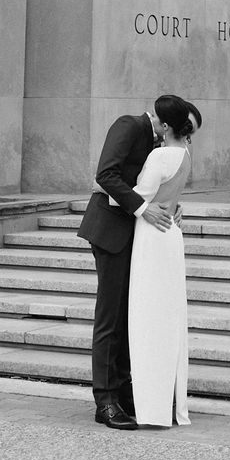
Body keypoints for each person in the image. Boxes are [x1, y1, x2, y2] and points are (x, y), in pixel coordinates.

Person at [76, 95, 197, 430]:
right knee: (110, 318)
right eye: (184, 130)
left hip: (138, 237)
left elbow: (150, 186)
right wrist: (144, 208)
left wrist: (168, 205)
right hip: (110, 232)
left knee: (131, 317)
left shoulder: (160, 144)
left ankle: (127, 393)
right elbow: (106, 175)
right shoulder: (128, 125)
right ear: (167, 124)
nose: (185, 138)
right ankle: (105, 401)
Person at [128, 97, 201, 427]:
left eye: (158, 118)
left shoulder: (159, 155)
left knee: (147, 320)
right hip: (171, 233)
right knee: (169, 318)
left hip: (151, 235)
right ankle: (170, 404)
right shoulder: (185, 154)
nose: (154, 122)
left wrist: (105, 187)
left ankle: (151, 407)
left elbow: (139, 196)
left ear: (167, 126)